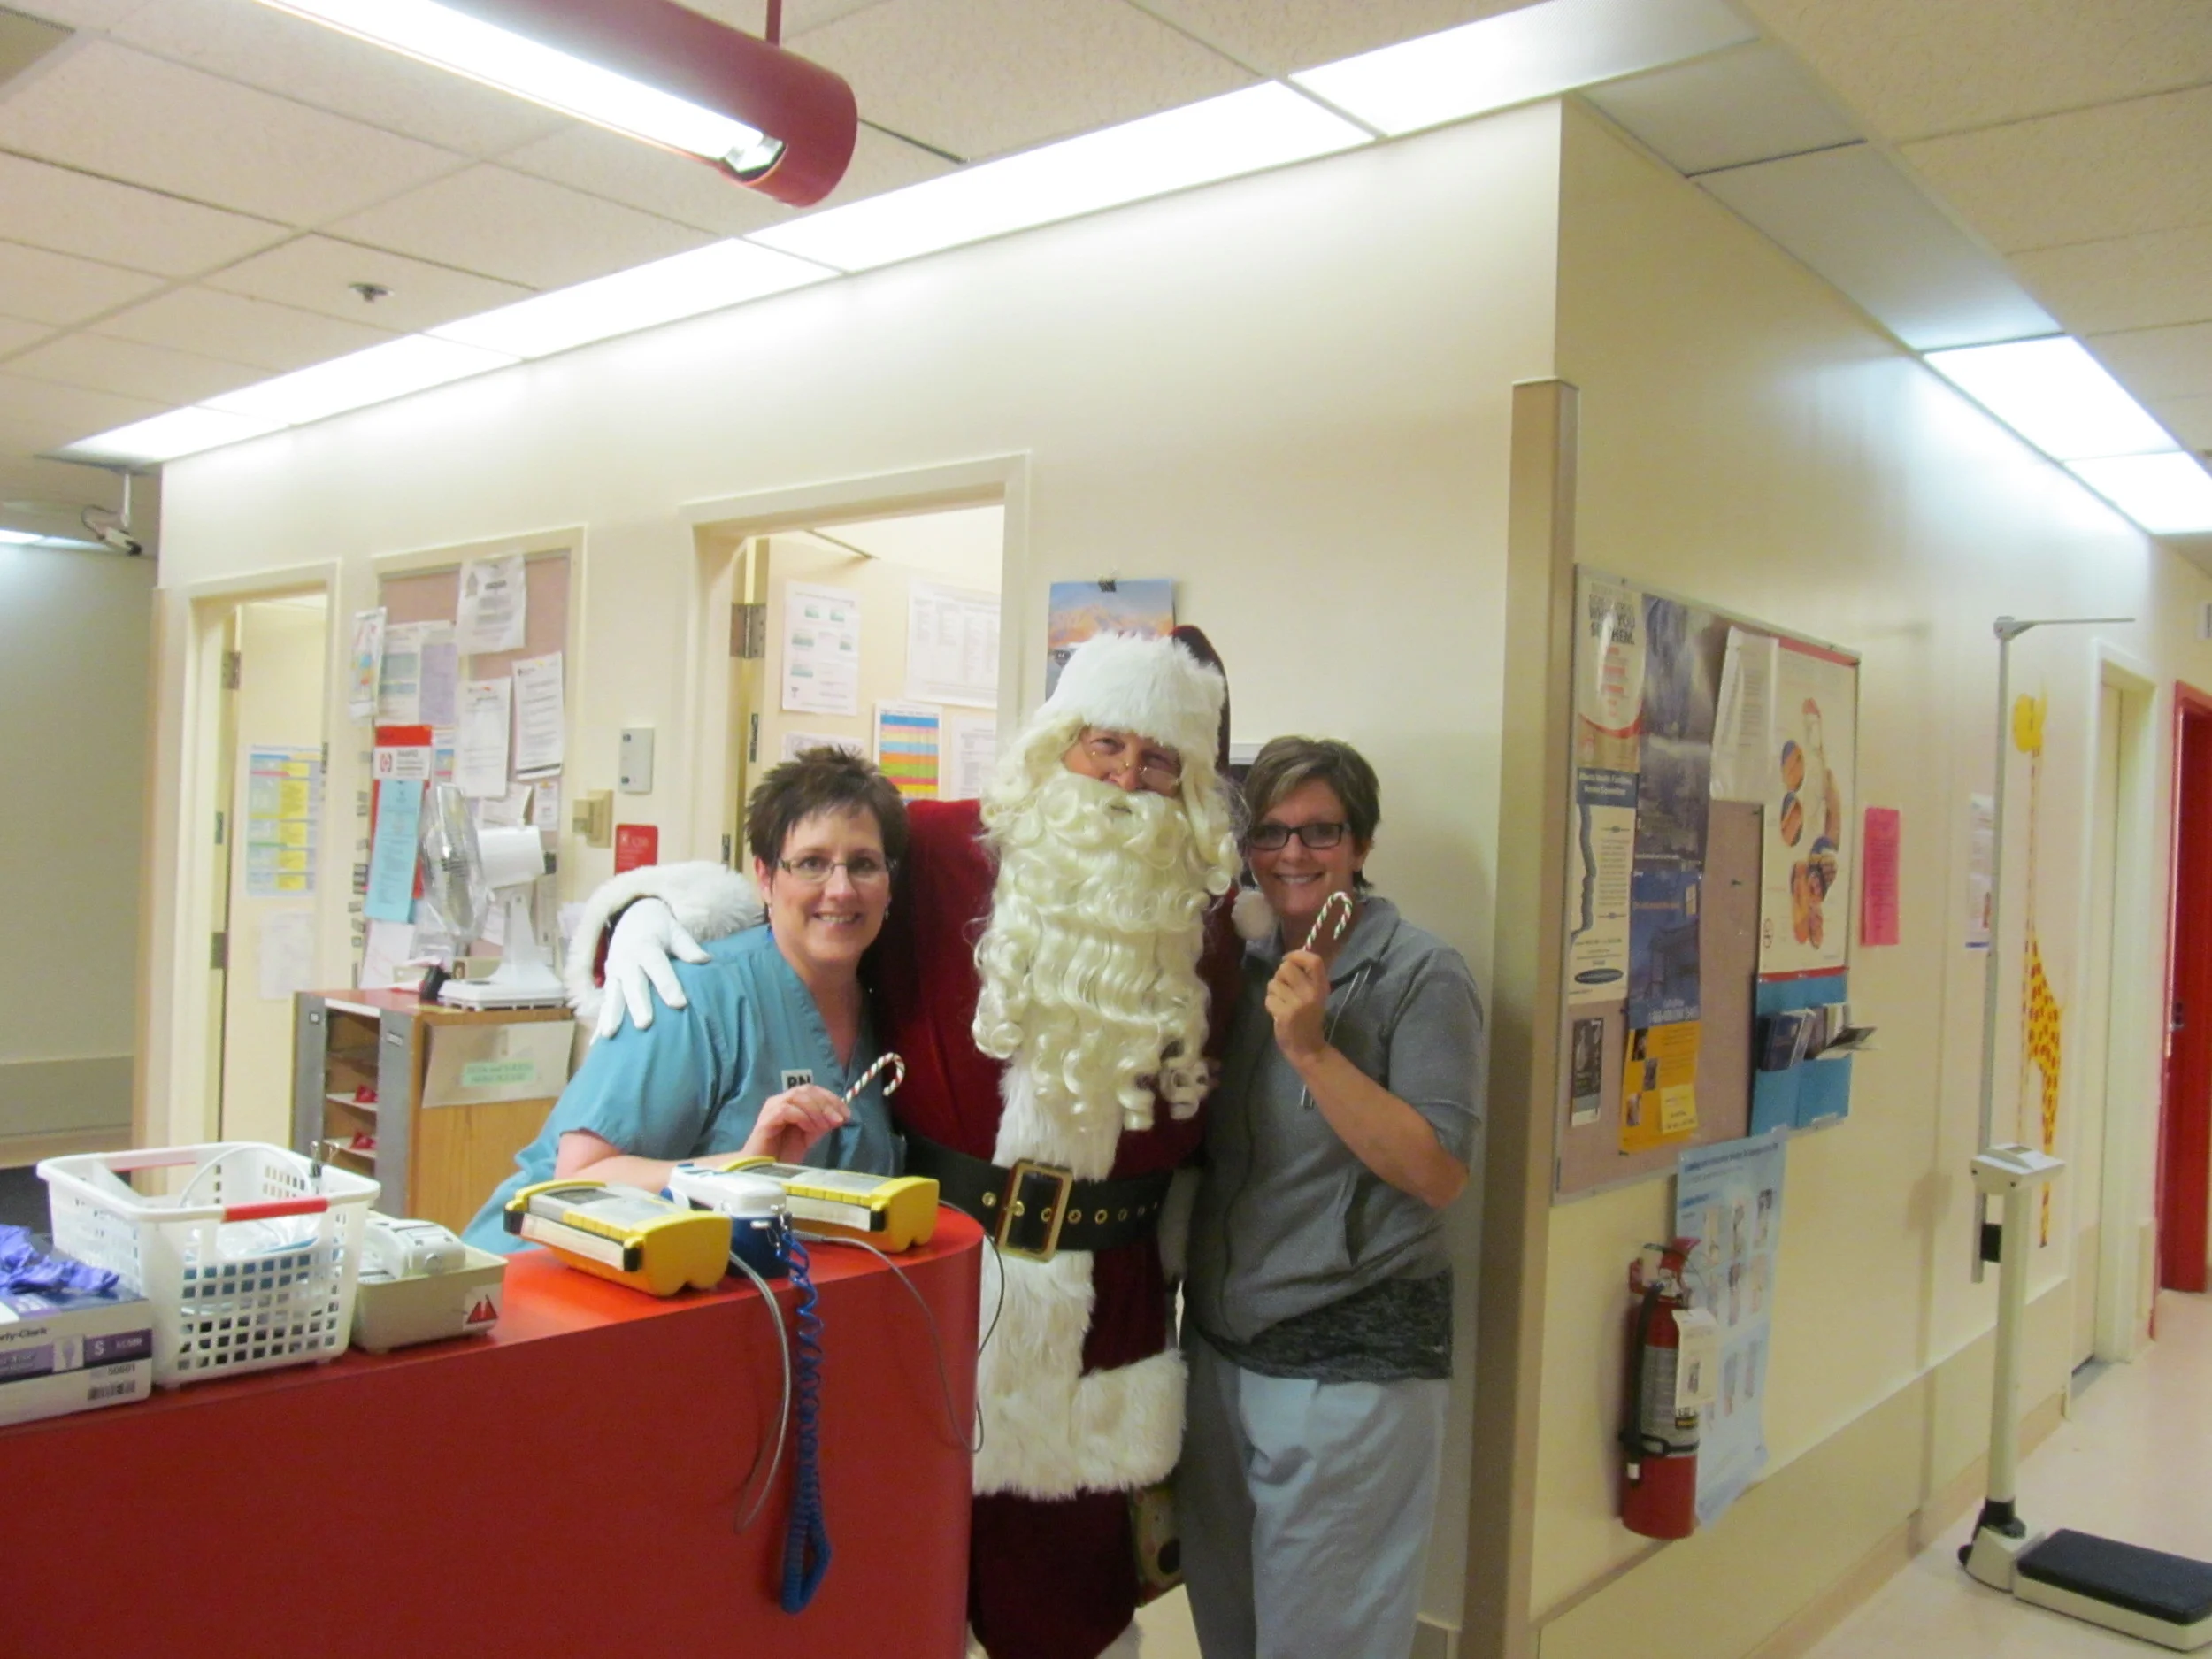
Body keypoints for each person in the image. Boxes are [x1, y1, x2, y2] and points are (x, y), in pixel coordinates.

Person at [573, 629, 1245, 1659]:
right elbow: (812, 878)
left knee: (1067, 1600)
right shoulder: (941, 849)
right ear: (1058, 744)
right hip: (932, 1277)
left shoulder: (1204, 920)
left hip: (1109, 1312)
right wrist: (645, 910)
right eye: (1103, 746)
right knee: (892, 1568)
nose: (1125, 779)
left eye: (1157, 761)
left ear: (1190, 783)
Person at [1179, 736, 1485, 1659]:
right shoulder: (1235, 968)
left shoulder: (1421, 975)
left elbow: (1437, 1171)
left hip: (1349, 1371)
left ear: (1360, 843)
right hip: (1222, 1358)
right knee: (1229, 1634)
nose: (1292, 855)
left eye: (1320, 832)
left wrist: (1311, 1049)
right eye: (1269, 832)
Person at [459, 748, 907, 1252]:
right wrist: (738, 1173)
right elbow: (577, 1179)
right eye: (811, 864)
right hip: (551, 1274)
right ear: (764, 877)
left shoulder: (886, 1013)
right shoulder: (695, 996)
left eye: (864, 865)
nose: (841, 889)